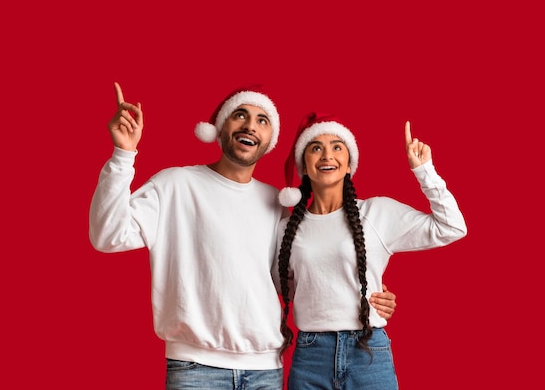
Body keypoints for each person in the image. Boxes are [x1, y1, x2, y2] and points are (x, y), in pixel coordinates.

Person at [89, 83, 398, 390]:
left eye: (262, 120)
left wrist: (368, 291)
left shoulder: (276, 203)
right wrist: (123, 154)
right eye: (240, 115)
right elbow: (108, 236)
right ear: (220, 127)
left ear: (269, 140)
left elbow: (297, 281)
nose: (251, 125)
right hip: (196, 369)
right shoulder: (175, 185)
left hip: (265, 371)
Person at [274, 112, 468, 390]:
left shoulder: (377, 213)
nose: (327, 155)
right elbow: (289, 287)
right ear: (304, 165)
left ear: (349, 164)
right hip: (310, 355)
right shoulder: (286, 230)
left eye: (337, 147)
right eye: (316, 148)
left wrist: (425, 171)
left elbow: (451, 227)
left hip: (367, 352)